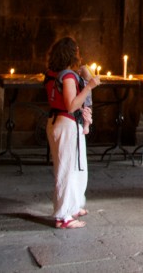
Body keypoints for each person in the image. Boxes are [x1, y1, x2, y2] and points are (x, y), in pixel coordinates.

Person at [44, 36, 99, 229]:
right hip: (66, 123)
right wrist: (90, 86)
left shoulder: (53, 73)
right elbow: (70, 105)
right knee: (66, 171)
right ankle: (63, 216)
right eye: (76, 51)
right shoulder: (67, 76)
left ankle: (73, 205)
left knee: (75, 167)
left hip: (59, 122)